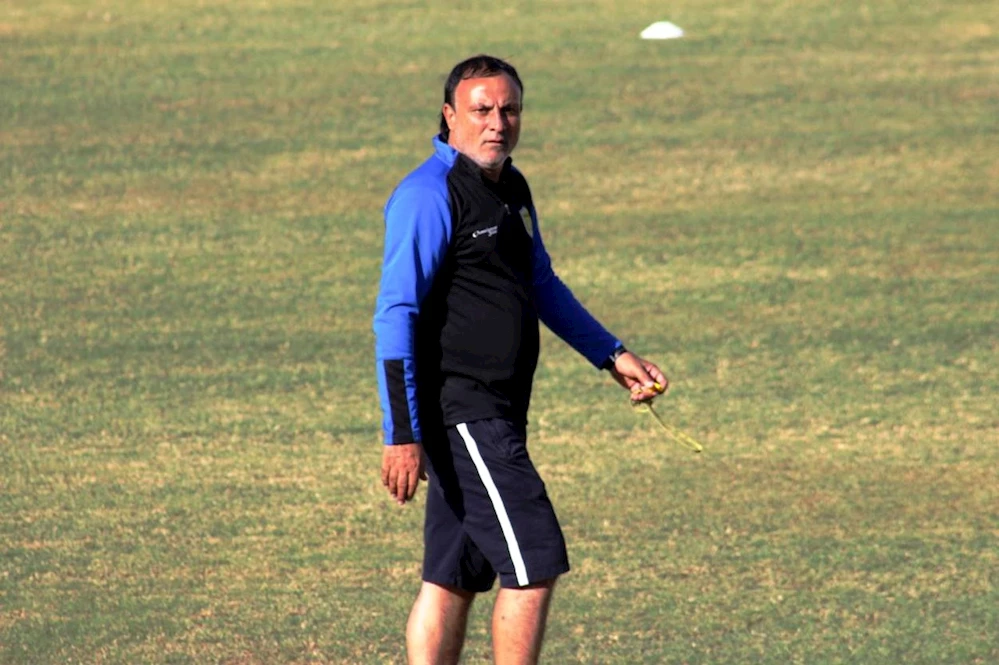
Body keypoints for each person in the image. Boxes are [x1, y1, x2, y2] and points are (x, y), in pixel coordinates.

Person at [373, 54, 668, 665]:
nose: (497, 123)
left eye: (509, 110)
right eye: (481, 110)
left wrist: (612, 355)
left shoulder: (511, 186)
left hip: (499, 410)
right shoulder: (427, 195)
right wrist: (401, 434)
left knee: (452, 576)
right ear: (449, 115)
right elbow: (395, 315)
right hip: (464, 410)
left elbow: (540, 284)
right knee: (534, 562)